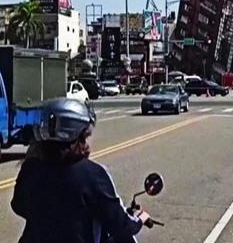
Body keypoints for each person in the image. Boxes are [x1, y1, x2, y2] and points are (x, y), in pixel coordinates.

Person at [11, 99, 151, 243]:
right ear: (76, 135)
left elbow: (18, 205)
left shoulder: (31, 168)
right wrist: (140, 218)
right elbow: (121, 226)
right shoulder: (93, 175)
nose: (88, 144)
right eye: (86, 136)